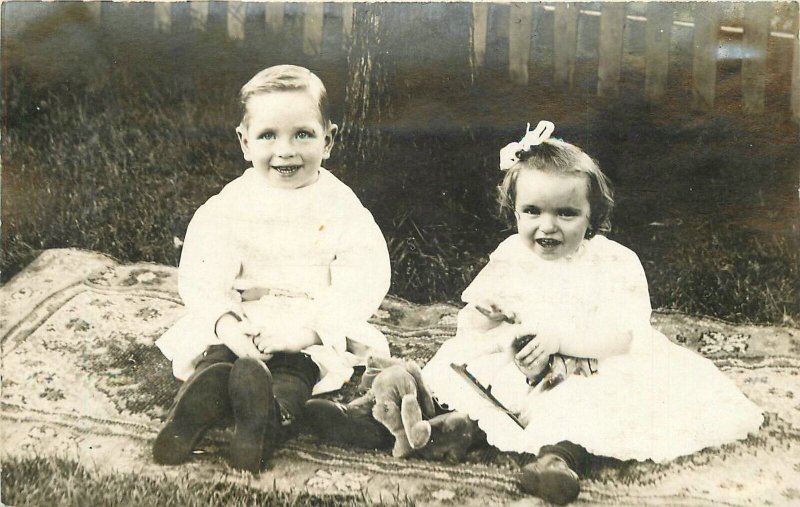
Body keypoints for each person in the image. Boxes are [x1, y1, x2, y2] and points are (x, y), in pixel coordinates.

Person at [419, 121, 764, 505]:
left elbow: (623, 335)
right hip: (521, 364)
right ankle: (454, 427)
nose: (546, 226)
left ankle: (556, 460)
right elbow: (470, 324)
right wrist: (488, 313)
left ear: (592, 216)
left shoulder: (613, 262)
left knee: (586, 403)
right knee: (477, 378)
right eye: (532, 211)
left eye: (566, 214)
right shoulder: (510, 255)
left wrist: (561, 341)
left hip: (591, 363)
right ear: (514, 212)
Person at [152, 65, 391, 474]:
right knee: (220, 358)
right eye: (268, 136)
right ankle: (195, 407)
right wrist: (229, 325)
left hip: (307, 319)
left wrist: (310, 331)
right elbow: (202, 271)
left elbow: (365, 274)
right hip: (246, 316)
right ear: (245, 143)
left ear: (328, 140)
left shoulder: (341, 205)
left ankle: (266, 418)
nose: (286, 150)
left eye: (303, 134)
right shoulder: (231, 203)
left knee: (296, 370)